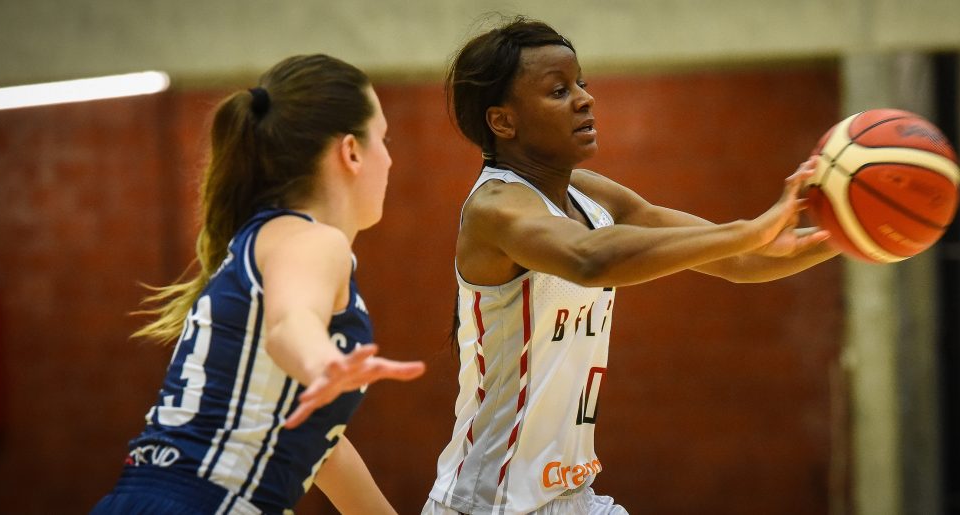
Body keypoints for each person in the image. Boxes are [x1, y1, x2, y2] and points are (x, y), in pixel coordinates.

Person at [424, 17, 838, 515]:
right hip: (490, 502)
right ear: (503, 122)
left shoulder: (590, 193)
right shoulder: (495, 208)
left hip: (573, 496)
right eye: (559, 90)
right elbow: (590, 258)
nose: (585, 99)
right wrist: (751, 229)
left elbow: (737, 258)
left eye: (581, 83)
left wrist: (851, 236)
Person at [91, 54, 426, 515]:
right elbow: (291, 323)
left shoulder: (268, 237)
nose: (388, 158)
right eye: (383, 139)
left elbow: (320, 447)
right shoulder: (313, 240)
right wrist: (323, 362)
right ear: (351, 151)